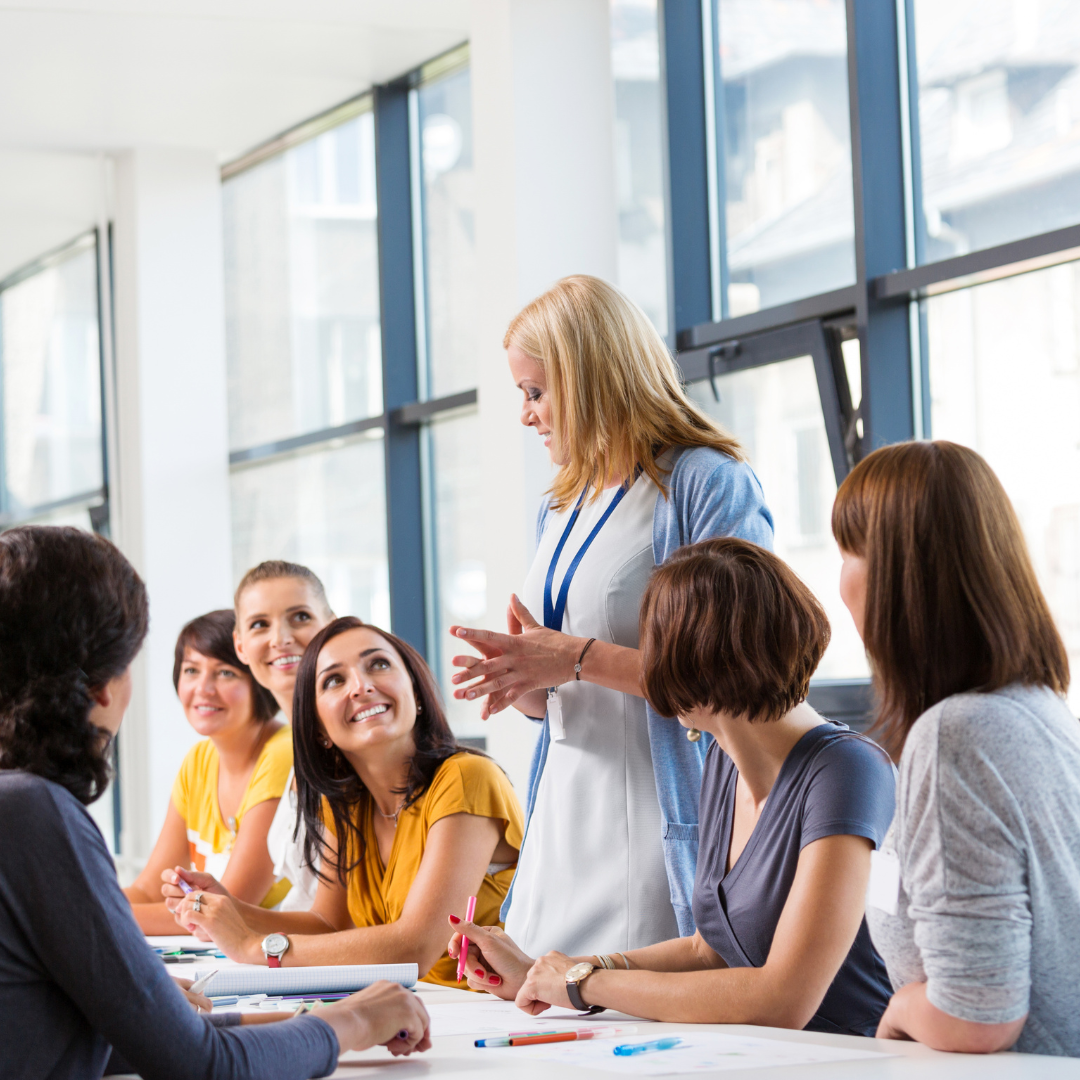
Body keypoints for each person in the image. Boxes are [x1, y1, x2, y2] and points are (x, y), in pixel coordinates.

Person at [0, 526, 430, 1080]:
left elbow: (75, 1039)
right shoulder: (33, 812)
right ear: (103, 685)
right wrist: (347, 1023)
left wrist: (156, 1000)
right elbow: (202, 1064)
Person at [447, 537, 895, 1037]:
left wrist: (581, 984)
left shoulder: (845, 770)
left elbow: (783, 998)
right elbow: (707, 950)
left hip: (855, 1059)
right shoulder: (725, 764)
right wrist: (544, 972)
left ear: (687, 665)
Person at [449, 275, 775, 957]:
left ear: (592, 379)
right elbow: (569, 687)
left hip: (657, 817)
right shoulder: (559, 505)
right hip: (565, 811)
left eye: (536, 393)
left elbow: (743, 677)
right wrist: (529, 687)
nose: (526, 415)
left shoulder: (704, 484)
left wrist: (572, 658)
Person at [832, 440, 1080, 1057]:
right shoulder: (1036, 708)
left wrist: (900, 1012)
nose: (839, 580)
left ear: (896, 576)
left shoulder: (956, 736)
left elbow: (975, 1017)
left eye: (848, 551)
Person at [167, 617, 524, 988]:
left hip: (490, 1013)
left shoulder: (467, 778)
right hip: (417, 1008)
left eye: (379, 664)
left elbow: (414, 947)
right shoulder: (347, 804)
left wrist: (255, 946)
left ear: (415, 692)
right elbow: (328, 924)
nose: (362, 686)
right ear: (319, 728)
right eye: (335, 680)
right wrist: (230, 910)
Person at [124, 611, 291, 933]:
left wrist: (91, 917)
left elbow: (227, 909)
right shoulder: (199, 760)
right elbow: (146, 892)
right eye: (191, 670)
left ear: (259, 681)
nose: (203, 688)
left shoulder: (283, 754)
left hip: (287, 967)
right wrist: (73, 905)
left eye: (225, 673)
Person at [234, 561, 336, 911]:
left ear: (332, 626)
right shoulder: (301, 747)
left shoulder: (350, 745)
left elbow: (340, 919)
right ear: (241, 646)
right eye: (260, 624)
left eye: (301, 617)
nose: (281, 639)